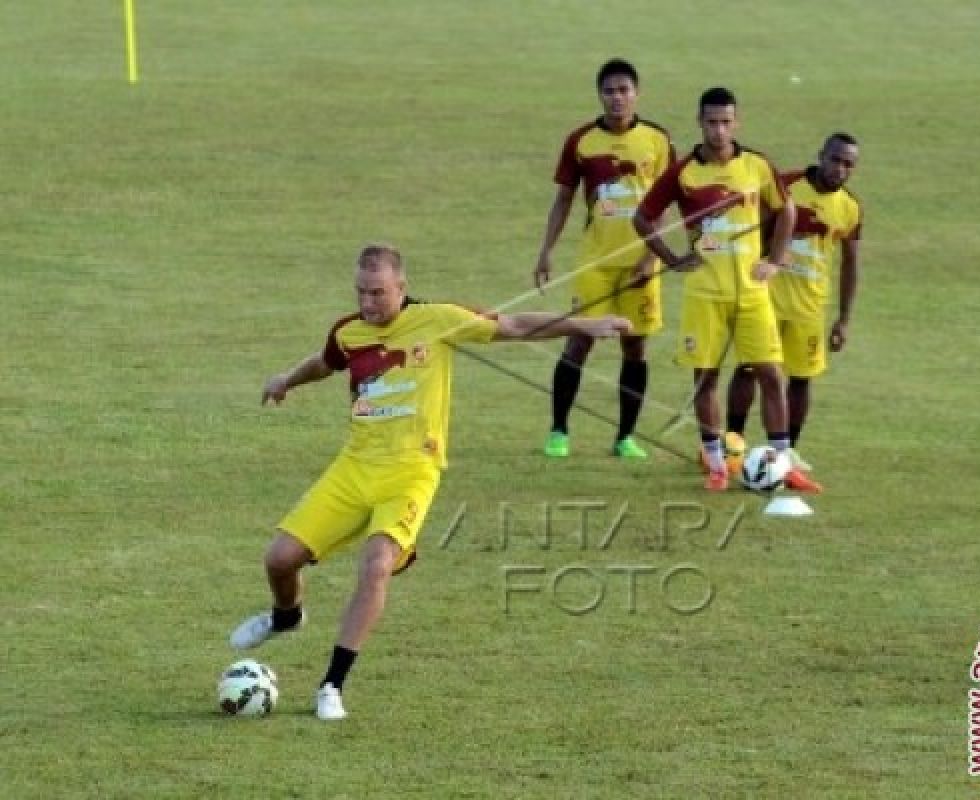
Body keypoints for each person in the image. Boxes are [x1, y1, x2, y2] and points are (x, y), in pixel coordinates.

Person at [229, 245, 631, 720]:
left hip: (411, 473)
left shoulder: (439, 320)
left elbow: (516, 326)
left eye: (378, 292)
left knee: (376, 565)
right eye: (361, 291)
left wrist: (582, 325)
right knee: (279, 560)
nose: (369, 302)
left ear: (401, 288)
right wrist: (285, 380)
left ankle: (332, 684)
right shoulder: (349, 331)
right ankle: (287, 616)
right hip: (353, 467)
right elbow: (325, 361)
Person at [632, 87, 805, 492]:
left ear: (736, 123)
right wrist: (673, 260)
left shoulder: (757, 166)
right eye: (712, 122)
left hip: (751, 291)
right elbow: (642, 218)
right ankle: (714, 461)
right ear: (700, 122)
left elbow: (786, 210)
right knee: (705, 377)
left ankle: (782, 460)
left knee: (771, 373)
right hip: (704, 292)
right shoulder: (683, 173)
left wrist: (775, 259)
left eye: (726, 122)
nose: (719, 130)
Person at [533, 58, 675, 461]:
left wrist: (651, 258)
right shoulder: (581, 141)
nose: (617, 98)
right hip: (594, 261)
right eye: (609, 91)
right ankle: (559, 430)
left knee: (635, 346)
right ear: (600, 95)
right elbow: (563, 199)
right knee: (578, 341)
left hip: (641, 264)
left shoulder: (658, 141)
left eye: (624, 90)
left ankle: (625, 437)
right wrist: (546, 250)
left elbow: (664, 206)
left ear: (637, 93)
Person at [725, 133, 862, 489]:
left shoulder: (850, 208)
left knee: (800, 379)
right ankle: (731, 445)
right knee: (749, 369)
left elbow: (850, 264)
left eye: (848, 164)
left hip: (809, 308)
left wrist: (844, 319)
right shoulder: (786, 185)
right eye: (835, 160)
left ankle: (787, 456)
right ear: (821, 155)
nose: (840, 169)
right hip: (766, 299)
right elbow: (755, 230)